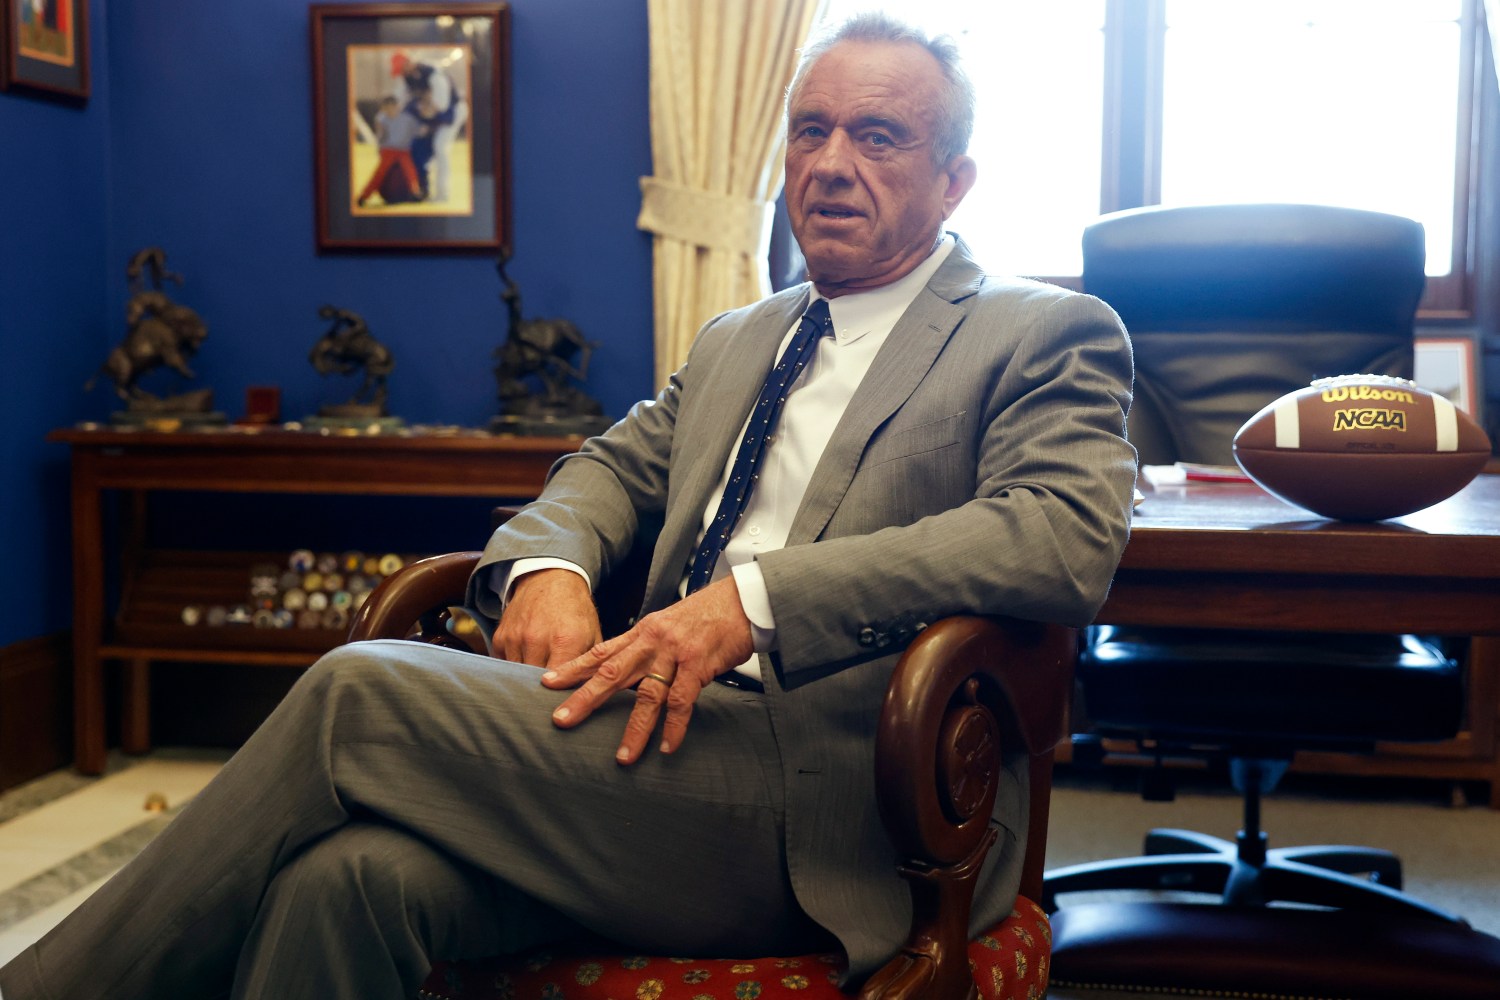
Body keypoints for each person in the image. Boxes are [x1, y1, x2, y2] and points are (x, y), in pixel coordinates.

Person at [0, 13, 1135, 1000]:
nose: (831, 164)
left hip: (842, 804)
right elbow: (601, 472)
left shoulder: (1036, 332)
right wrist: (548, 567)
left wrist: (755, 603)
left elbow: (1058, 535)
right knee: (342, 885)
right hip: (644, 752)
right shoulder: (741, 336)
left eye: (878, 136)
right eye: (810, 129)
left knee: (356, 694)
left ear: (955, 180)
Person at [355, 95, 425, 208]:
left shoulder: (407, 119)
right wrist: (380, 148)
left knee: (410, 171)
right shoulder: (382, 119)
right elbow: (380, 136)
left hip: (403, 150)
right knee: (379, 173)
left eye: (392, 107)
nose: (389, 111)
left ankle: (415, 193)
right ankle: (364, 196)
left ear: (397, 107)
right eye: (386, 108)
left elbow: (419, 131)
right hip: (389, 150)